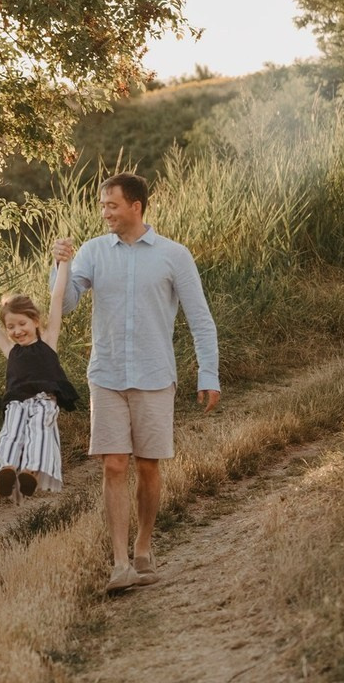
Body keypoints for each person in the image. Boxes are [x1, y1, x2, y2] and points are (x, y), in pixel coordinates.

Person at [52, 171, 220, 593]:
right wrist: (61, 266)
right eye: (103, 205)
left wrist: (209, 372)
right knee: (113, 464)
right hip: (106, 374)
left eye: (112, 205)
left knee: (147, 466)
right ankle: (120, 563)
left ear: (136, 207)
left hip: (153, 374)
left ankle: (144, 547)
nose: (105, 212)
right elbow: (66, 304)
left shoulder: (173, 255)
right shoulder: (92, 252)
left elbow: (199, 318)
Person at [0, 252, 78, 502]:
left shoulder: (48, 341)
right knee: (11, 432)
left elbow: (57, 297)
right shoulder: (10, 351)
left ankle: (31, 472)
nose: (17, 331)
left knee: (40, 429)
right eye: (11, 327)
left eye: (22, 324)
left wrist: (63, 263)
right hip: (17, 401)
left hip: (43, 400)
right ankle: (6, 469)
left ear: (35, 321)